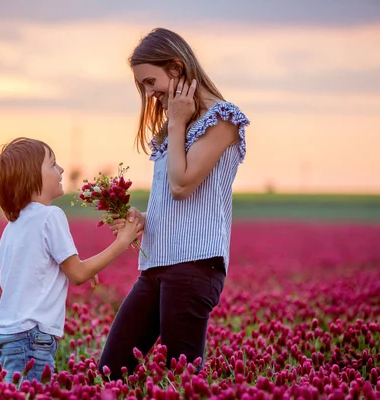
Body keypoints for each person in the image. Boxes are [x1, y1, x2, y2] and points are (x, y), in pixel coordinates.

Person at [97, 28, 251, 381]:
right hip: (156, 264)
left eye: (151, 82)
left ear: (178, 68)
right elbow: (175, 202)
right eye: (143, 87)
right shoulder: (173, 131)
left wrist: (178, 120)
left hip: (194, 265)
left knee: (181, 381)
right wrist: (143, 218)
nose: (150, 94)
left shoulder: (224, 119)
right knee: (110, 370)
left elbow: (182, 184)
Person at [0, 137, 143, 385]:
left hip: (10, 336)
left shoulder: (12, 226)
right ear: (31, 177)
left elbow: (40, 269)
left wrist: (81, 265)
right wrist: (122, 241)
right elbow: (78, 274)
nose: (61, 170)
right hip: (34, 338)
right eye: (52, 164)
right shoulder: (51, 216)